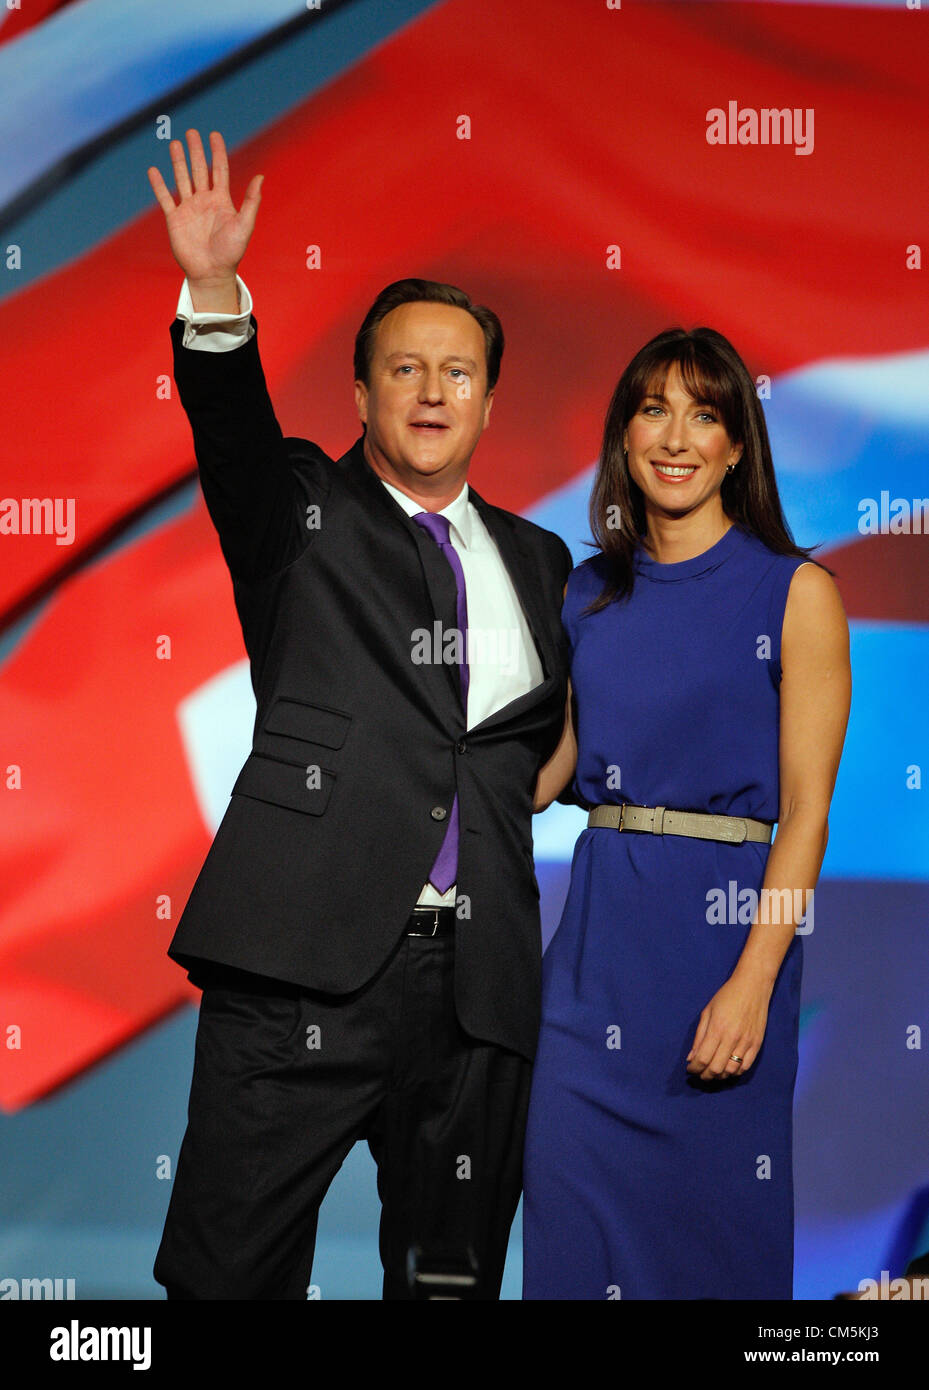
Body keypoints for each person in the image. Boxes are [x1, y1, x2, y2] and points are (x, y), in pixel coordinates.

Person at [146, 129, 573, 1299]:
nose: (432, 390)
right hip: (298, 969)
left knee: (449, 1283)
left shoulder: (541, 560)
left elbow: (529, 750)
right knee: (227, 1276)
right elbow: (229, 430)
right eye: (404, 368)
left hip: (476, 991)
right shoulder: (299, 510)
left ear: (489, 396)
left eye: (458, 371)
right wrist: (215, 291)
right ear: (361, 391)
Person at [521, 327, 851, 1300]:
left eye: (703, 413)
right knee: (571, 1251)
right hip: (587, 982)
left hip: (723, 960)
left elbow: (804, 816)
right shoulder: (584, 594)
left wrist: (752, 982)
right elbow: (548, 774)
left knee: (715, 1256)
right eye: (652, 409)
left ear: (737, 444)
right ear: (622, 436)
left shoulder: (795, 592)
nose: (675, 435)